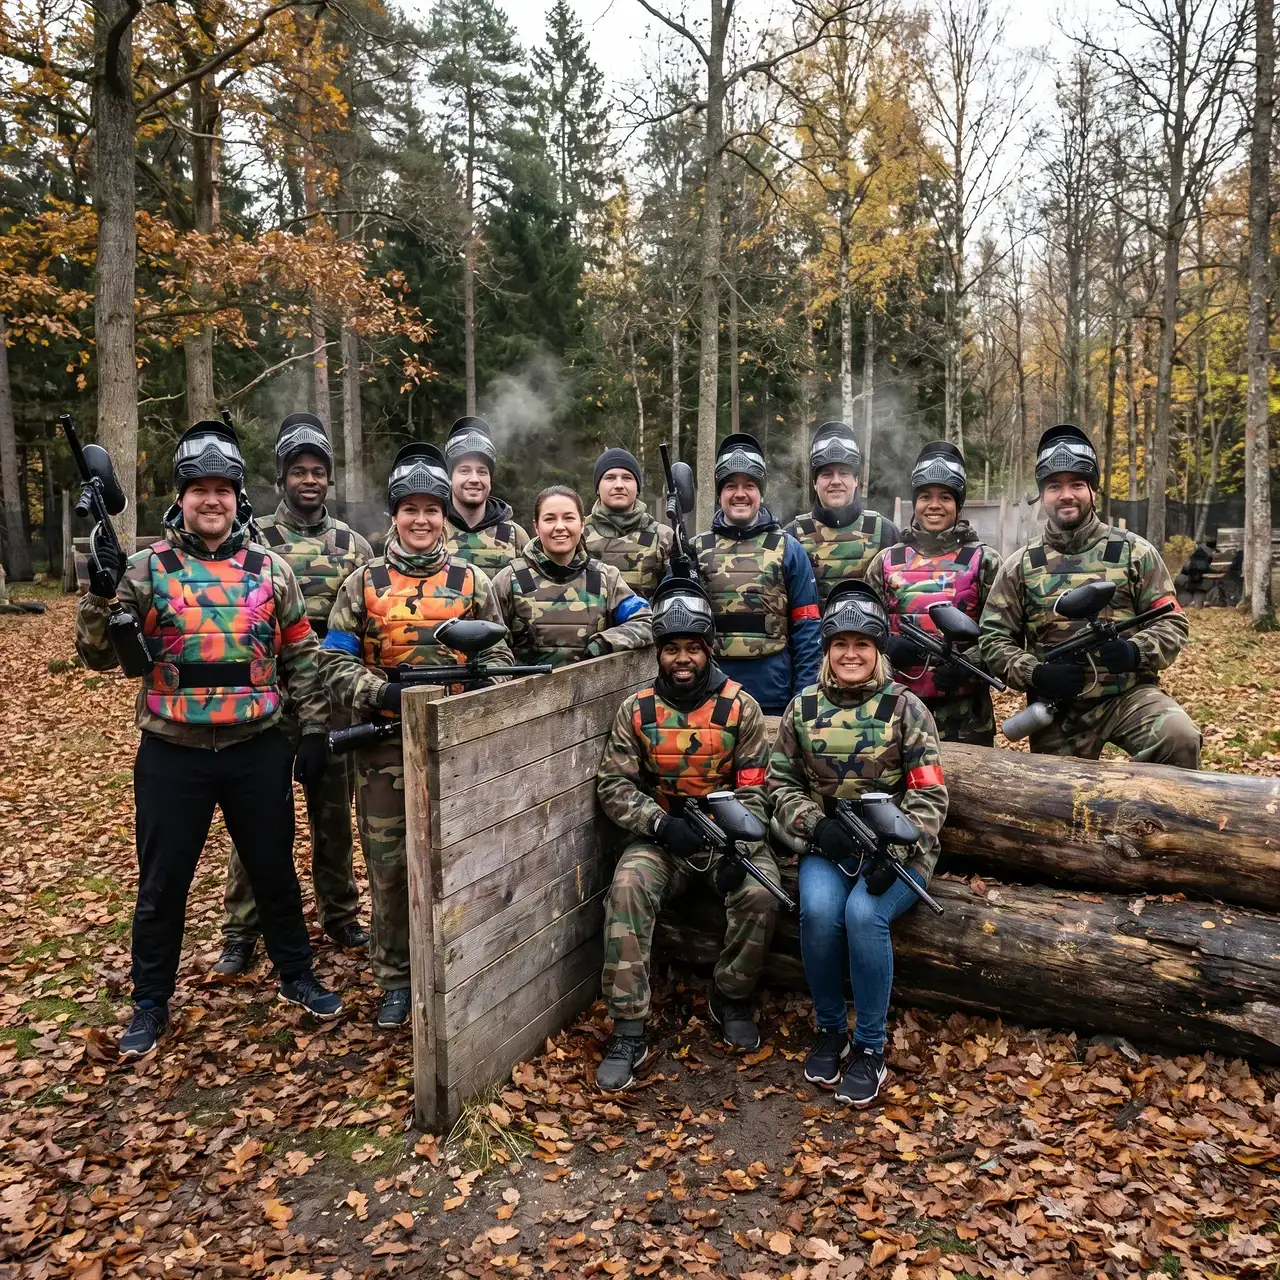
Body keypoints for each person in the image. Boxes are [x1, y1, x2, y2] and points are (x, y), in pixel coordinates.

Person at [75, 420, 343, 1058]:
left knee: (275, 872)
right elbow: (97, 657)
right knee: (163, 882)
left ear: (239, 496)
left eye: (223, 489)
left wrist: (310, 733)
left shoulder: (270, 570)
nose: (212, 500)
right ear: (181, 498)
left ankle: (296, 976)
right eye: (199, 489)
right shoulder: (146, 569)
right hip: (174, 752)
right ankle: (149, 1003)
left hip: (257, 747)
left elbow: (301, 657)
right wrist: (100, 593)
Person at [321, 444, 514, 1029]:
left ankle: (458, 964)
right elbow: (333, 663)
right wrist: (382, 694)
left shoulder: (472, 579)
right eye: (411, 509)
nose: (423, 520)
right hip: (383, 748)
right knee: (388, 865)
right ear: (395, 516)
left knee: (459, 860)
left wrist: (479, 689)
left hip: (456, 747)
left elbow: (501, 651)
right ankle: (396, 977)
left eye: (432, 509)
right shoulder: (364, 583)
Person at [595, 577, 780, 1090]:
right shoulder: (637, 710)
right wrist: (657, 823)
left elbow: (757, 790)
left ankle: (730, 996)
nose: (682, 659)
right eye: (671, 649)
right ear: (658, 653)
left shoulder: (741, 708)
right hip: (665, 839)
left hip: (730, 837)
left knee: (763, 894)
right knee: (628, 886)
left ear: (708, 650)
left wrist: (733, 842)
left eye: (692, 649)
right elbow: (613, 785)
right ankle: (629, 1026)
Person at [767, 581, 947, 1107]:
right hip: (830, 844)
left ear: (878, 651)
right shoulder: (802, 707)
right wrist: (813, 826)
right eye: (840, 644)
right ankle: (830, 1029)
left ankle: (870, 1046)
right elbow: (779, 784)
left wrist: (900, 849)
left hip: (899, 851)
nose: (850, 654)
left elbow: (929, 792)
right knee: (820, 911)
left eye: (862, 645)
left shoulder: (906, 709)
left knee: (865, 915)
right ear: (827, 649)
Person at [214, 413, 373, 975]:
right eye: (298, 470)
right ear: (281, 478)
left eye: (318, 471)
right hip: (263, 708)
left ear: (329, 479)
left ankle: (341, 914)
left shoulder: (353, 546)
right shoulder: (253, 540)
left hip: (332, 709)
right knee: (257, 823)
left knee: (334, 820)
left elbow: (363, 621)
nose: (309, 480)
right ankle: (242, 928)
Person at [979, 425, 1200, 766]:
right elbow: (993, 638)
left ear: (1093, 491)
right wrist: (1033, 673)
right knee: (1055, 803)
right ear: (1043, 496)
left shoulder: (1133, 552)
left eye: (1077, 484)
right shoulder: (1021, 565)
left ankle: (1159, 815)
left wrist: (1134, 651)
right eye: (1054, 486)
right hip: (1058, 707)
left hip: (1129, 696)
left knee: (1179, 737)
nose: (1066, 495)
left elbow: (1171, 621)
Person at [865, 442, 1002, 745]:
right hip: (895, 709)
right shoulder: (887, 561)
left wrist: (971, 666)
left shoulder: (985, 561)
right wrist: (886, 649)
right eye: (925, 496)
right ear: (915, 503)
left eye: (945, 497)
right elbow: (862, 630)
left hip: (966, 716)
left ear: (958, 504)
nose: (934, 505)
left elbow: (1005, 635)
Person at [689, 432, 821, 714]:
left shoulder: (788, 549)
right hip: (708, 696)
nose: (740, 494)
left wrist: (804, 696)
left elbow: (807, 630)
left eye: (749, 485)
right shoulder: (695, 550)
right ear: (719, 493)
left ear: (761, 493)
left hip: (773, 697)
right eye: (730, 486)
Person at [489, 484, 653, 667]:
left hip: (593, 693)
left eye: (568, 518)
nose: (560, 527)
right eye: (550, 519)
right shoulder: (508, 581)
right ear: (536, 526)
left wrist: (605, 642)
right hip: (522, 694)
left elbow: (645, 621)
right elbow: (491, 649)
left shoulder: (606, 579)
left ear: (582, 524)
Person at [785, 421, 898, 604]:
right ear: (815, 483)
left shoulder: (885, 531)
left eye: (844, 473)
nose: (836, 481)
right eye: (827, 474)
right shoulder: (792, 536)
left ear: (856, 481)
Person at [442, 416, 529, 576]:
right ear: (449, 477)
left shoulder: (514, 536)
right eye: (464, 470)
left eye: (482, 471)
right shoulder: (434, 530)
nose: (474, 479)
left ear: (490, 479)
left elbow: (527, 597)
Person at [583, 446, 673, 598]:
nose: (619, 485)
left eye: (627, 478)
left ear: (637, 487)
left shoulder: (663, 537)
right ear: (597, 487)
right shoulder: (578, 533)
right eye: (610, 478)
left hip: (645, 621)